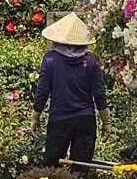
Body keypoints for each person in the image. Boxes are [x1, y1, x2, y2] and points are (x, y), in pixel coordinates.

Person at [33, 12, 107, 166]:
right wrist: (106, 122)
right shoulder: (91, 61)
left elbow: (42, 91)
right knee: (80, 167)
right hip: (85, 119)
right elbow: (99, 94)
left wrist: (35, 116)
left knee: (52, 167)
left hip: (59, 119)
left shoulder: (51, 59)